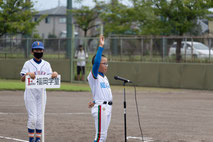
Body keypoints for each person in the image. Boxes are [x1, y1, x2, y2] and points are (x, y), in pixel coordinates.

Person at [20, 41, 58, 142]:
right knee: (33, 118)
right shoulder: (28, 63)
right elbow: (22, 79)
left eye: (40, 50)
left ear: (43, 51)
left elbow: (52, 77)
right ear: (32, 52)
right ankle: (31, 139)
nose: (39, 51)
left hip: (42, 94)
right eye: (36, 50)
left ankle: (38, 139)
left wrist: (54, 74)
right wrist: (27, 74)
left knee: (40, 118)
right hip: (30, 93)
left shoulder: (46, 64)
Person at [87, 35, 112, 142]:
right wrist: (101, 46)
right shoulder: (94, 75)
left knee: (103, 137)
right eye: (104, 63)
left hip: (107, 107)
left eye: (107, 63)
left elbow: (101, 93)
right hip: (101, 108)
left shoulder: (104, 77)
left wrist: (94, 100)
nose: (106, 65)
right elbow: (96, 62)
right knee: (100, 137)